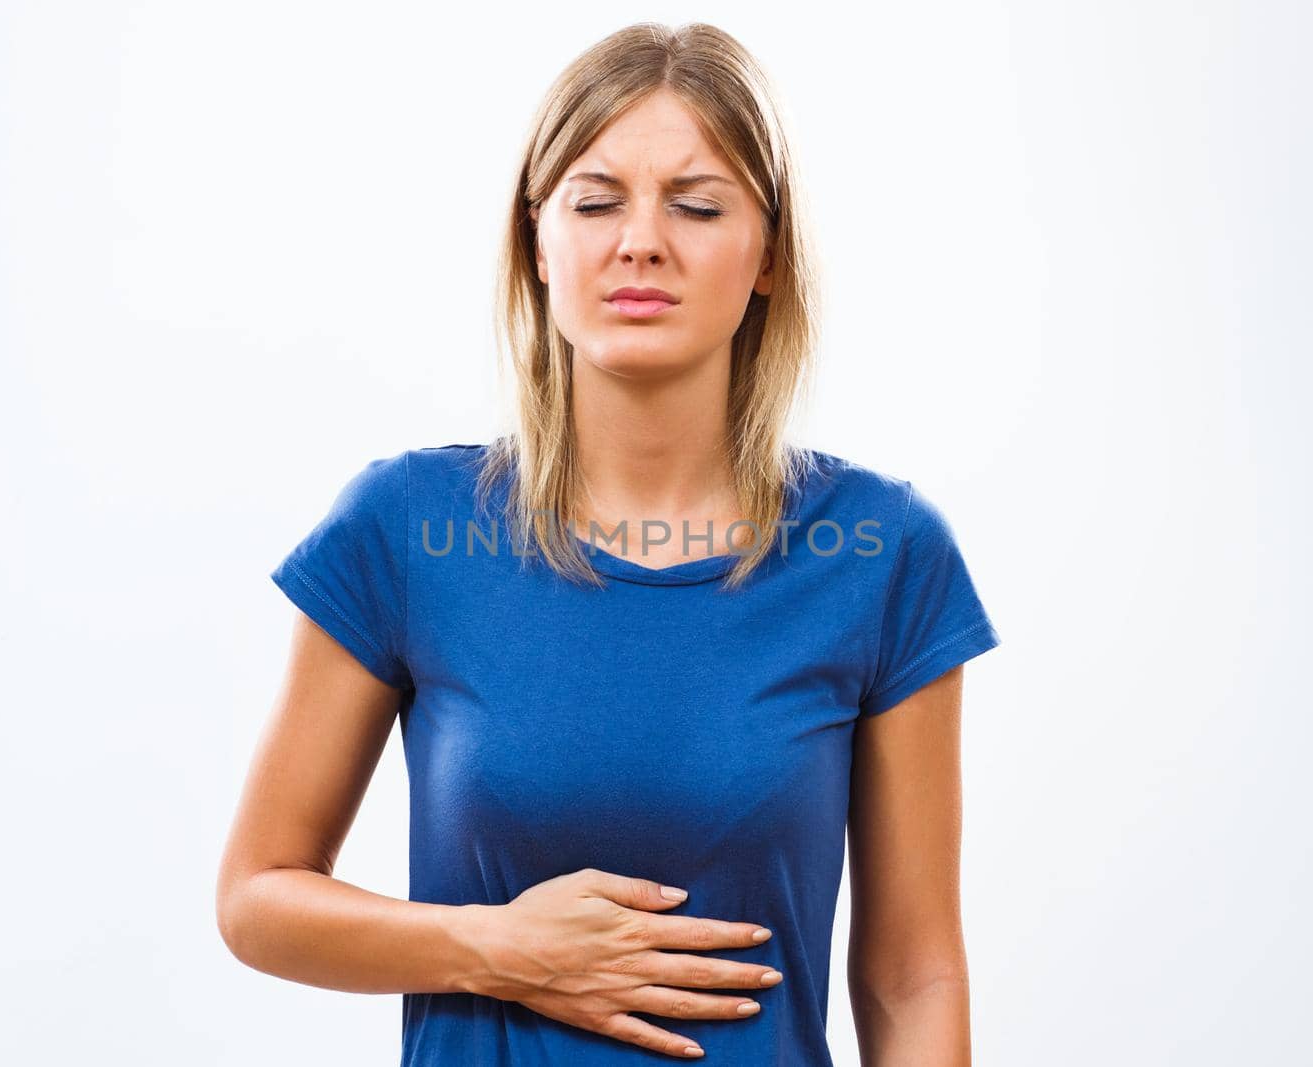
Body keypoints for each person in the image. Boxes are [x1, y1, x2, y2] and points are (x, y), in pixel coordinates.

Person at [217, 21, 1001, 1066]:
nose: (640, 241)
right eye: (595, 202)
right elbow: (257, 897)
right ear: (537, 244)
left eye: (697, 204)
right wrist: (492, 946)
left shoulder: (879, 554)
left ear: (766, 255)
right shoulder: (406, 527)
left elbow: (912, 974)